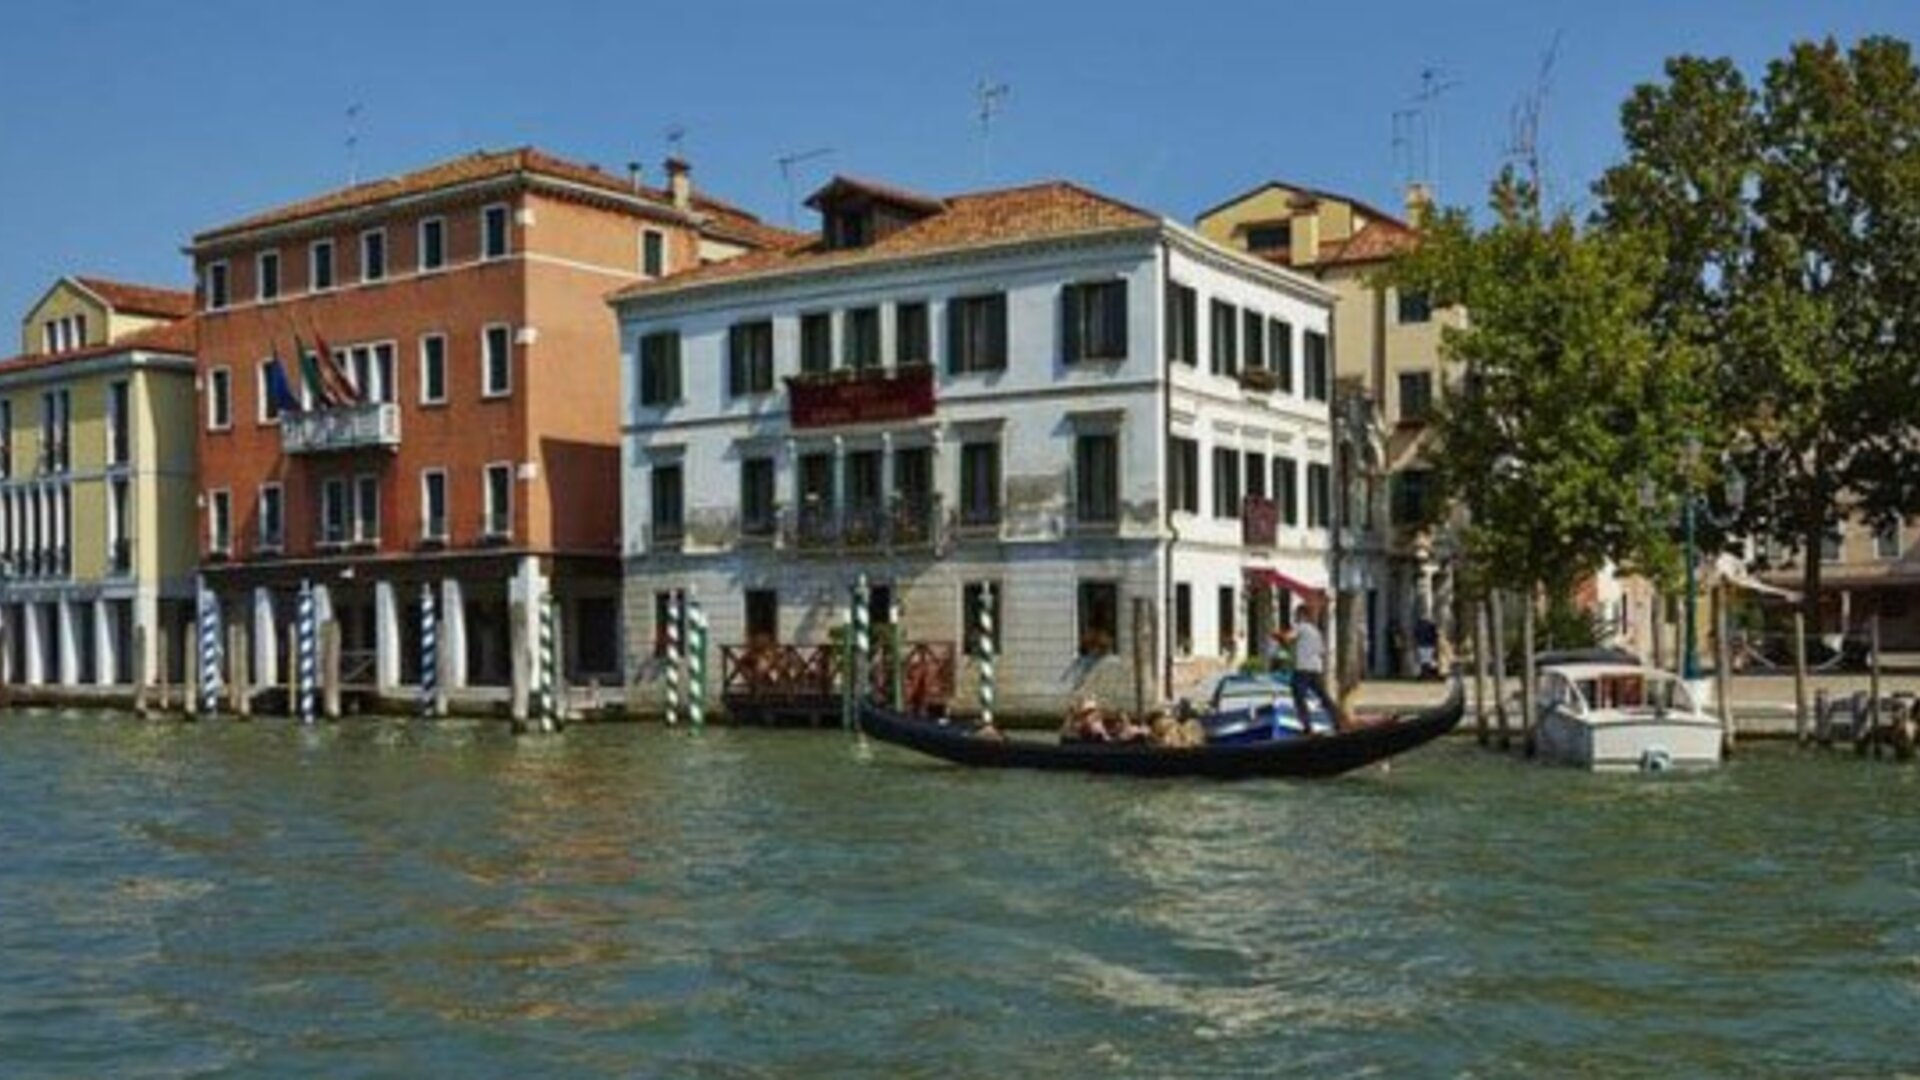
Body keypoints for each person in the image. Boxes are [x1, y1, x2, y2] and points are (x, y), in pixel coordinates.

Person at [1277, 598, 1338, 733]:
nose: (1294, 618)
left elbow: (1287, 638)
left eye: (1296, 615)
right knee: (1323, 697)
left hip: (1302, 669)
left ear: (1302, 615)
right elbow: (1322, 652)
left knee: (1299, 696)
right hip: (1316, 669)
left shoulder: (1301, 627)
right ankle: (1337, 721)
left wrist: (1277, 636)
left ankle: (1307, 727)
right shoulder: (1316, 631)